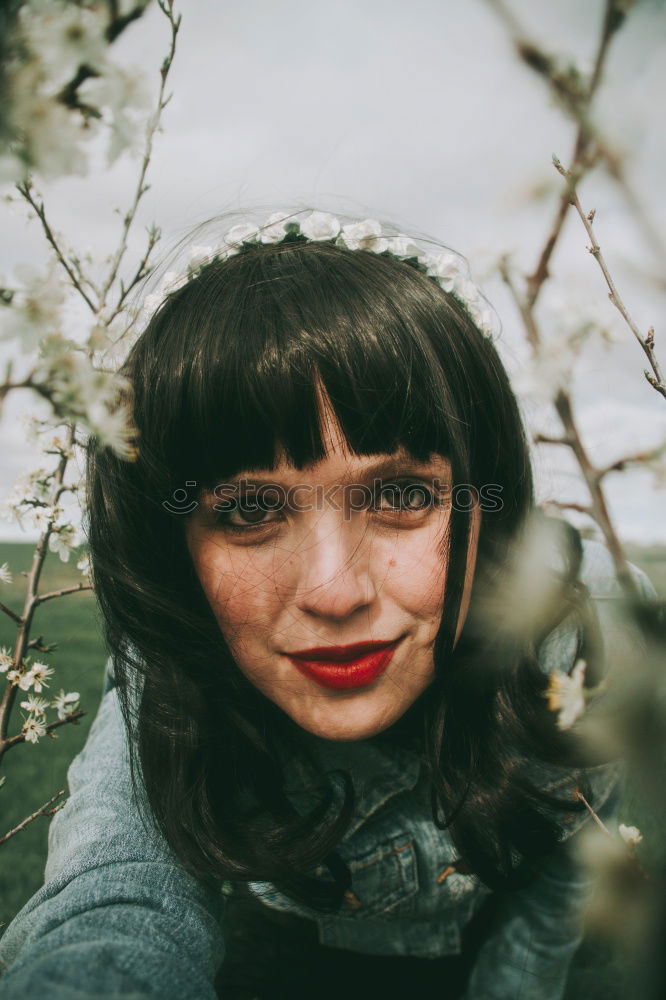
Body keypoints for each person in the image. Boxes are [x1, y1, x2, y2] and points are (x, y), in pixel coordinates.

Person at [0, 211, 655, 999]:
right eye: (248, 511)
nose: (336, 592)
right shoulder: (172, 680)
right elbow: (115, 896)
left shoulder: (590, 638)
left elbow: (564, 868)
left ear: (491, 506)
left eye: (403, 494)